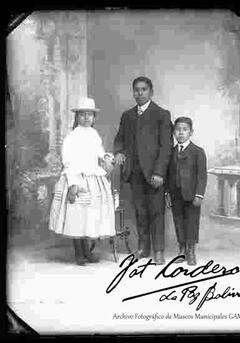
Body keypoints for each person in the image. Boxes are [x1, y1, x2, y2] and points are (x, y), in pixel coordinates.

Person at [49, 97, 116, 266]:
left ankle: (87, 251)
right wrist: (73, 184)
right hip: (77, 178)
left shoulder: (93, 134)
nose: (86, 118)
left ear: (94, 117)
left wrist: (107, 157)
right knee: (76, 216)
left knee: (88, 216)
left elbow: (99, 152)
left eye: (90, 115)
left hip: (93, 179)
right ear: (77, 117)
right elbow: (68, 162)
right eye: (83, 115)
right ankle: (79, 252)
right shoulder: (72, 137)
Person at [114, 76, 173, 265]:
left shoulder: (162, 115)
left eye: (143, 90)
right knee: (140, 211)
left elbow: (166, 147)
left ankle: (158, 251)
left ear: (151, 92)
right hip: (134, 173)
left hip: (154, 174)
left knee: (156, 212)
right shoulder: (127, 116)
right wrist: (119, 152)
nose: (139, 93)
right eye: (136, 90)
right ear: (133, 92)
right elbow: (120, 139)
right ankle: (143, 248)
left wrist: (159, 172)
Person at [166, 116, 207, 265]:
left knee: (191, 222)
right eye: (178, 130)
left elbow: (202, 176)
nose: (181, 133)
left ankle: (191, 251)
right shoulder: (171, 152)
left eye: (184, 130)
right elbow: (168, 175)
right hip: (175, 194)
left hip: (192, 194)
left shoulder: (197, 152)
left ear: (191, 132)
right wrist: (167, 194)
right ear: (174, 133)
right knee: (178, 221)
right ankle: (182, 249)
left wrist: (199, 194)